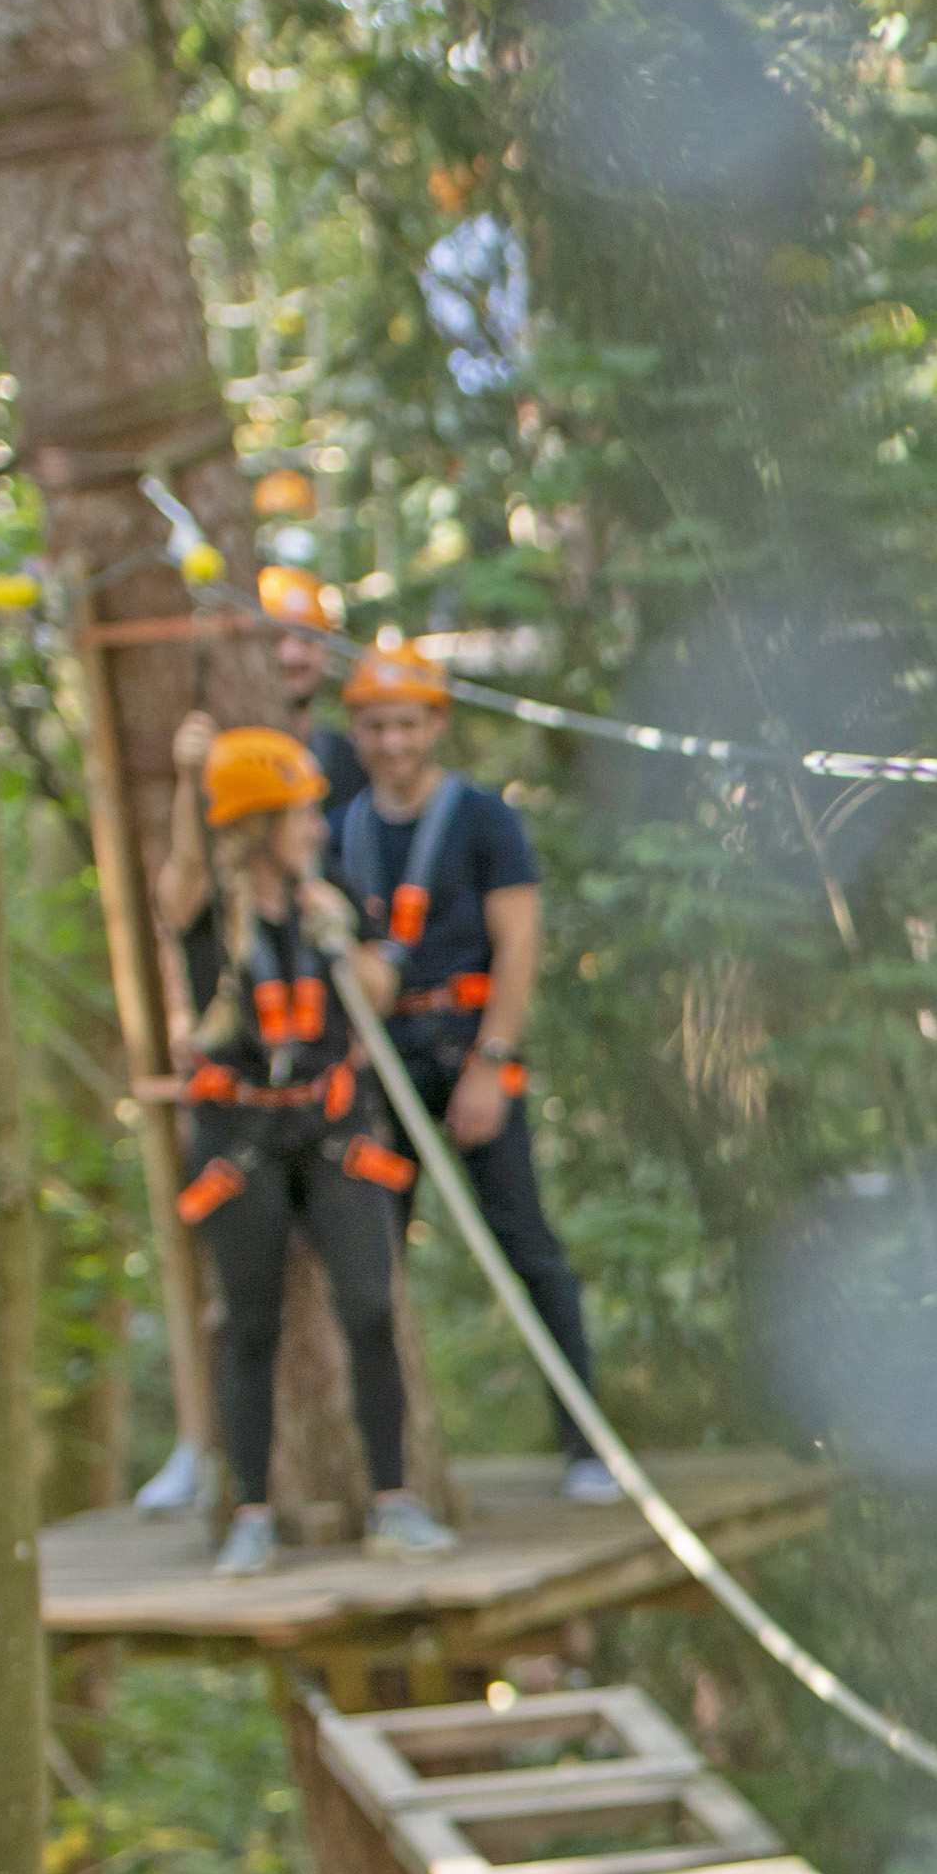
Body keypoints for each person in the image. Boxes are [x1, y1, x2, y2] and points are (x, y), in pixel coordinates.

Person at [163, 727, 454, 1578]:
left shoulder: (329, 897)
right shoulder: (206, 909)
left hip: (333, 1129)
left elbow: (380, 993)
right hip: (241, 1140)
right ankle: (251, 1513)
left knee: (370, 1304)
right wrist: (190, 779)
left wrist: (343, 939)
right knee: (249, 1323)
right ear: (258, 824)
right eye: (300, 815)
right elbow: (181, 867)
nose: (319, 828)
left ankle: (394, 1504)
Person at [331, 638, 612, 1500]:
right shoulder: (342, 824)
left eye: (408, 724)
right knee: (372, 1265)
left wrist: (493, 1059)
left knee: (527, 1246)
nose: (392, 744)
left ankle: (586, 1445)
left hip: (470, 1050)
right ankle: (389, 1471)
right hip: (384, 1063)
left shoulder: (482, 819)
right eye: (376, 726)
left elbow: (518, 936)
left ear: (436, 724)